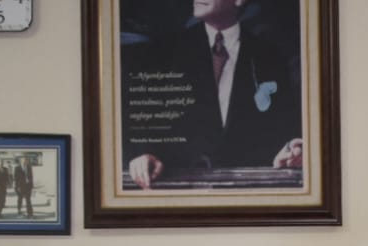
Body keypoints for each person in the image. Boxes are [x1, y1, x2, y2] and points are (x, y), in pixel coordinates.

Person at [122, 0, 304, 187]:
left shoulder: (270, 57)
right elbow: (139, 119)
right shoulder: (164, 52)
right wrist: (141, 154)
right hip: (174, 187)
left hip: (245, 189)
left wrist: (289, 151)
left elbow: (282, 130)